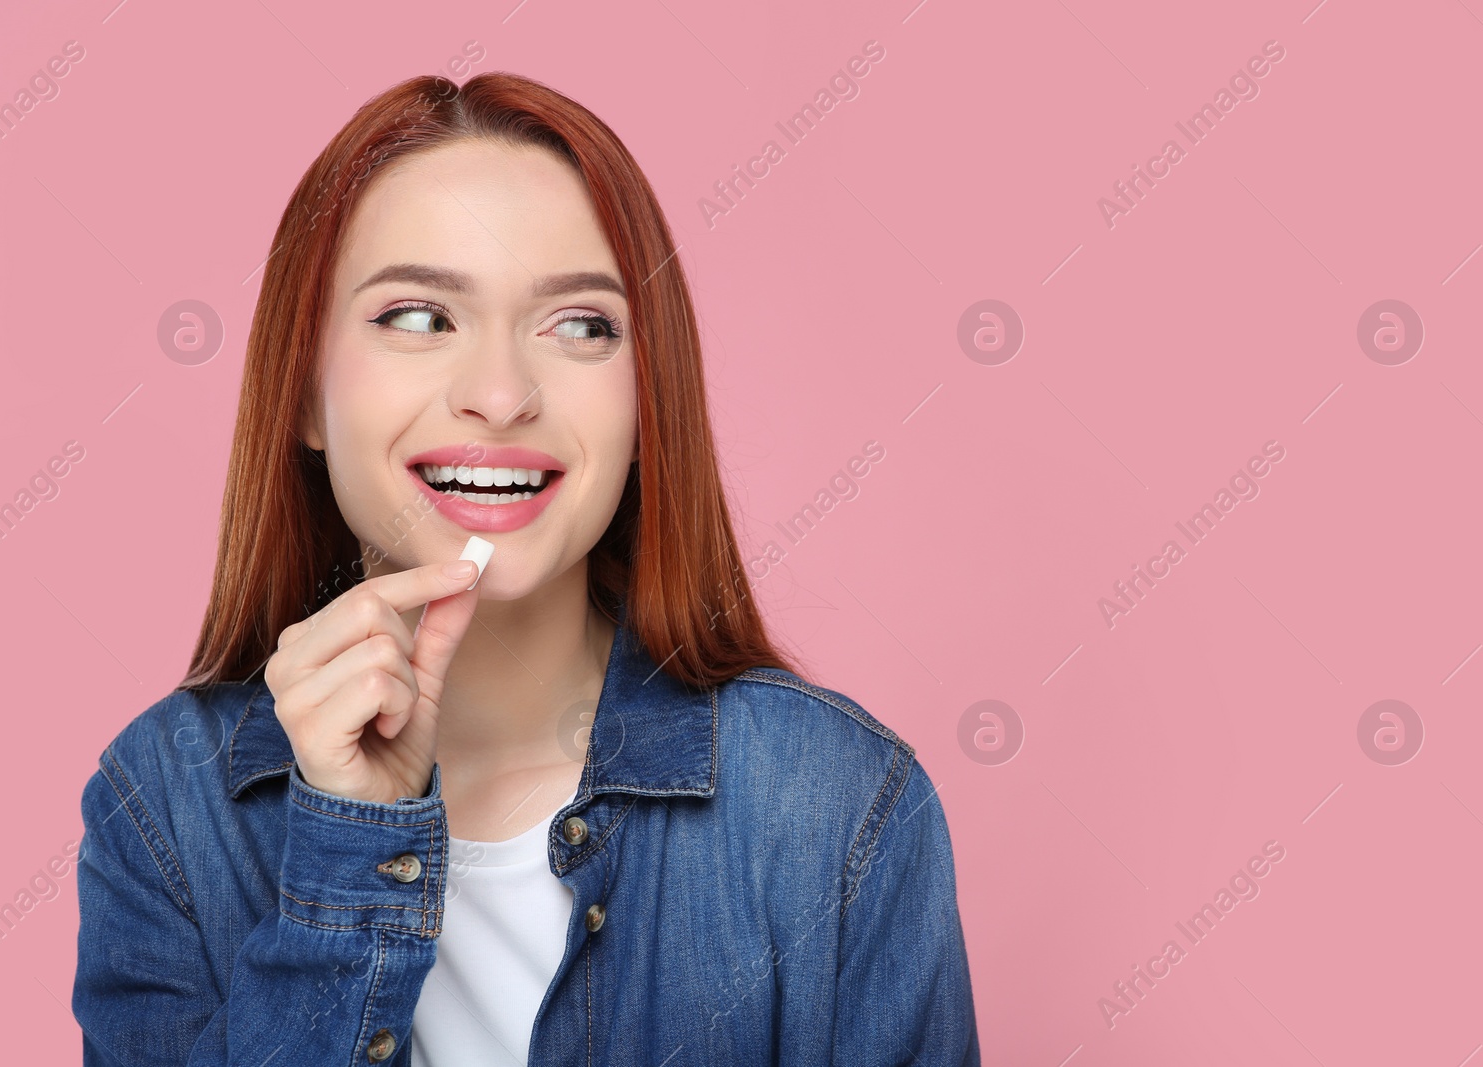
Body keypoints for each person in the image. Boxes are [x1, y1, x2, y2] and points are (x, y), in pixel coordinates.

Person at [71, 70, 978, 1066]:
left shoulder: (837, 802)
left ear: (645, 408)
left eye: (580, 325)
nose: (501, 394)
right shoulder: (160, 803)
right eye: (418, 317)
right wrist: (346, 845)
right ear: (301, 390)